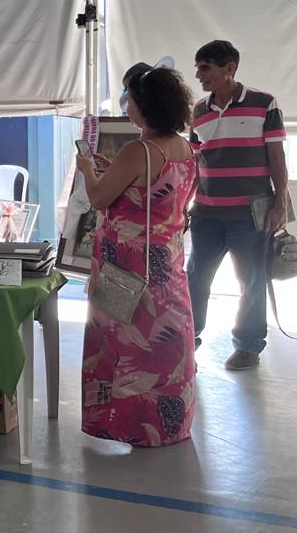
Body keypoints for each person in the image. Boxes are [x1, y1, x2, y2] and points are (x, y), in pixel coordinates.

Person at [75, 66, 197, 446]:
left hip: (126, 267)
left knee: (122, 344)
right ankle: (169, 426)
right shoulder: (186, 148)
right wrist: (113, 173)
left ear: (145, 106)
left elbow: (99, 198)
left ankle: (126, 425)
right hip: (167, 265)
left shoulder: (138, 150)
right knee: (165, 344)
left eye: (130, 99)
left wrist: (87, 170)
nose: (127, 106)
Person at [185, 40, 289, 371]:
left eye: (205, 68)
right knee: (196, 279)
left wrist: (281, 204)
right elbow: (194, 163)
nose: (199, 75)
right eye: (198, 68)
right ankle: (187, 341)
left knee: (252, 280)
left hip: (250, 215)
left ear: (230, 68)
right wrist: (184, 205)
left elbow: (277, 158)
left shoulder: (264, 103)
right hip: (206, 213)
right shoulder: (198, 111)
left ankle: (248, 346)